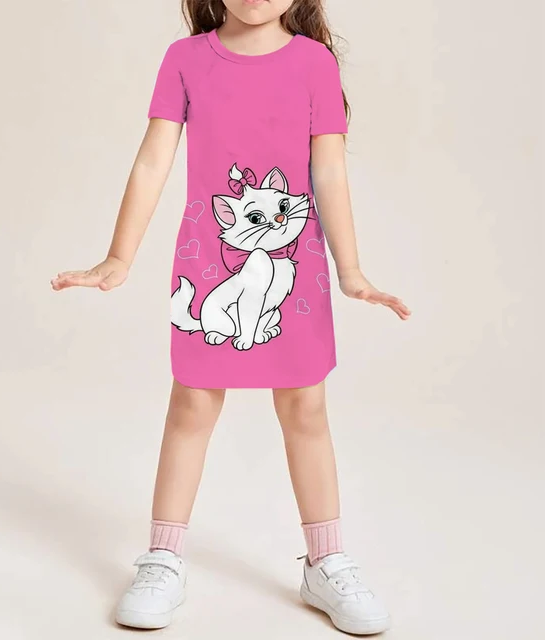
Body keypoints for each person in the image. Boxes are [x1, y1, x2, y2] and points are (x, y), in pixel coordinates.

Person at [51, 0, 411, 634]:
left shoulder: (315, 64)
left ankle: (326, 562)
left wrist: (351, 269)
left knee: (305, 407)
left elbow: (328, 168)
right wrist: (118, 256)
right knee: (191, 403)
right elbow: (153, 160)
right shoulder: (185, 59)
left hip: (295, 263)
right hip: (208, 259)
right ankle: (163, 558)